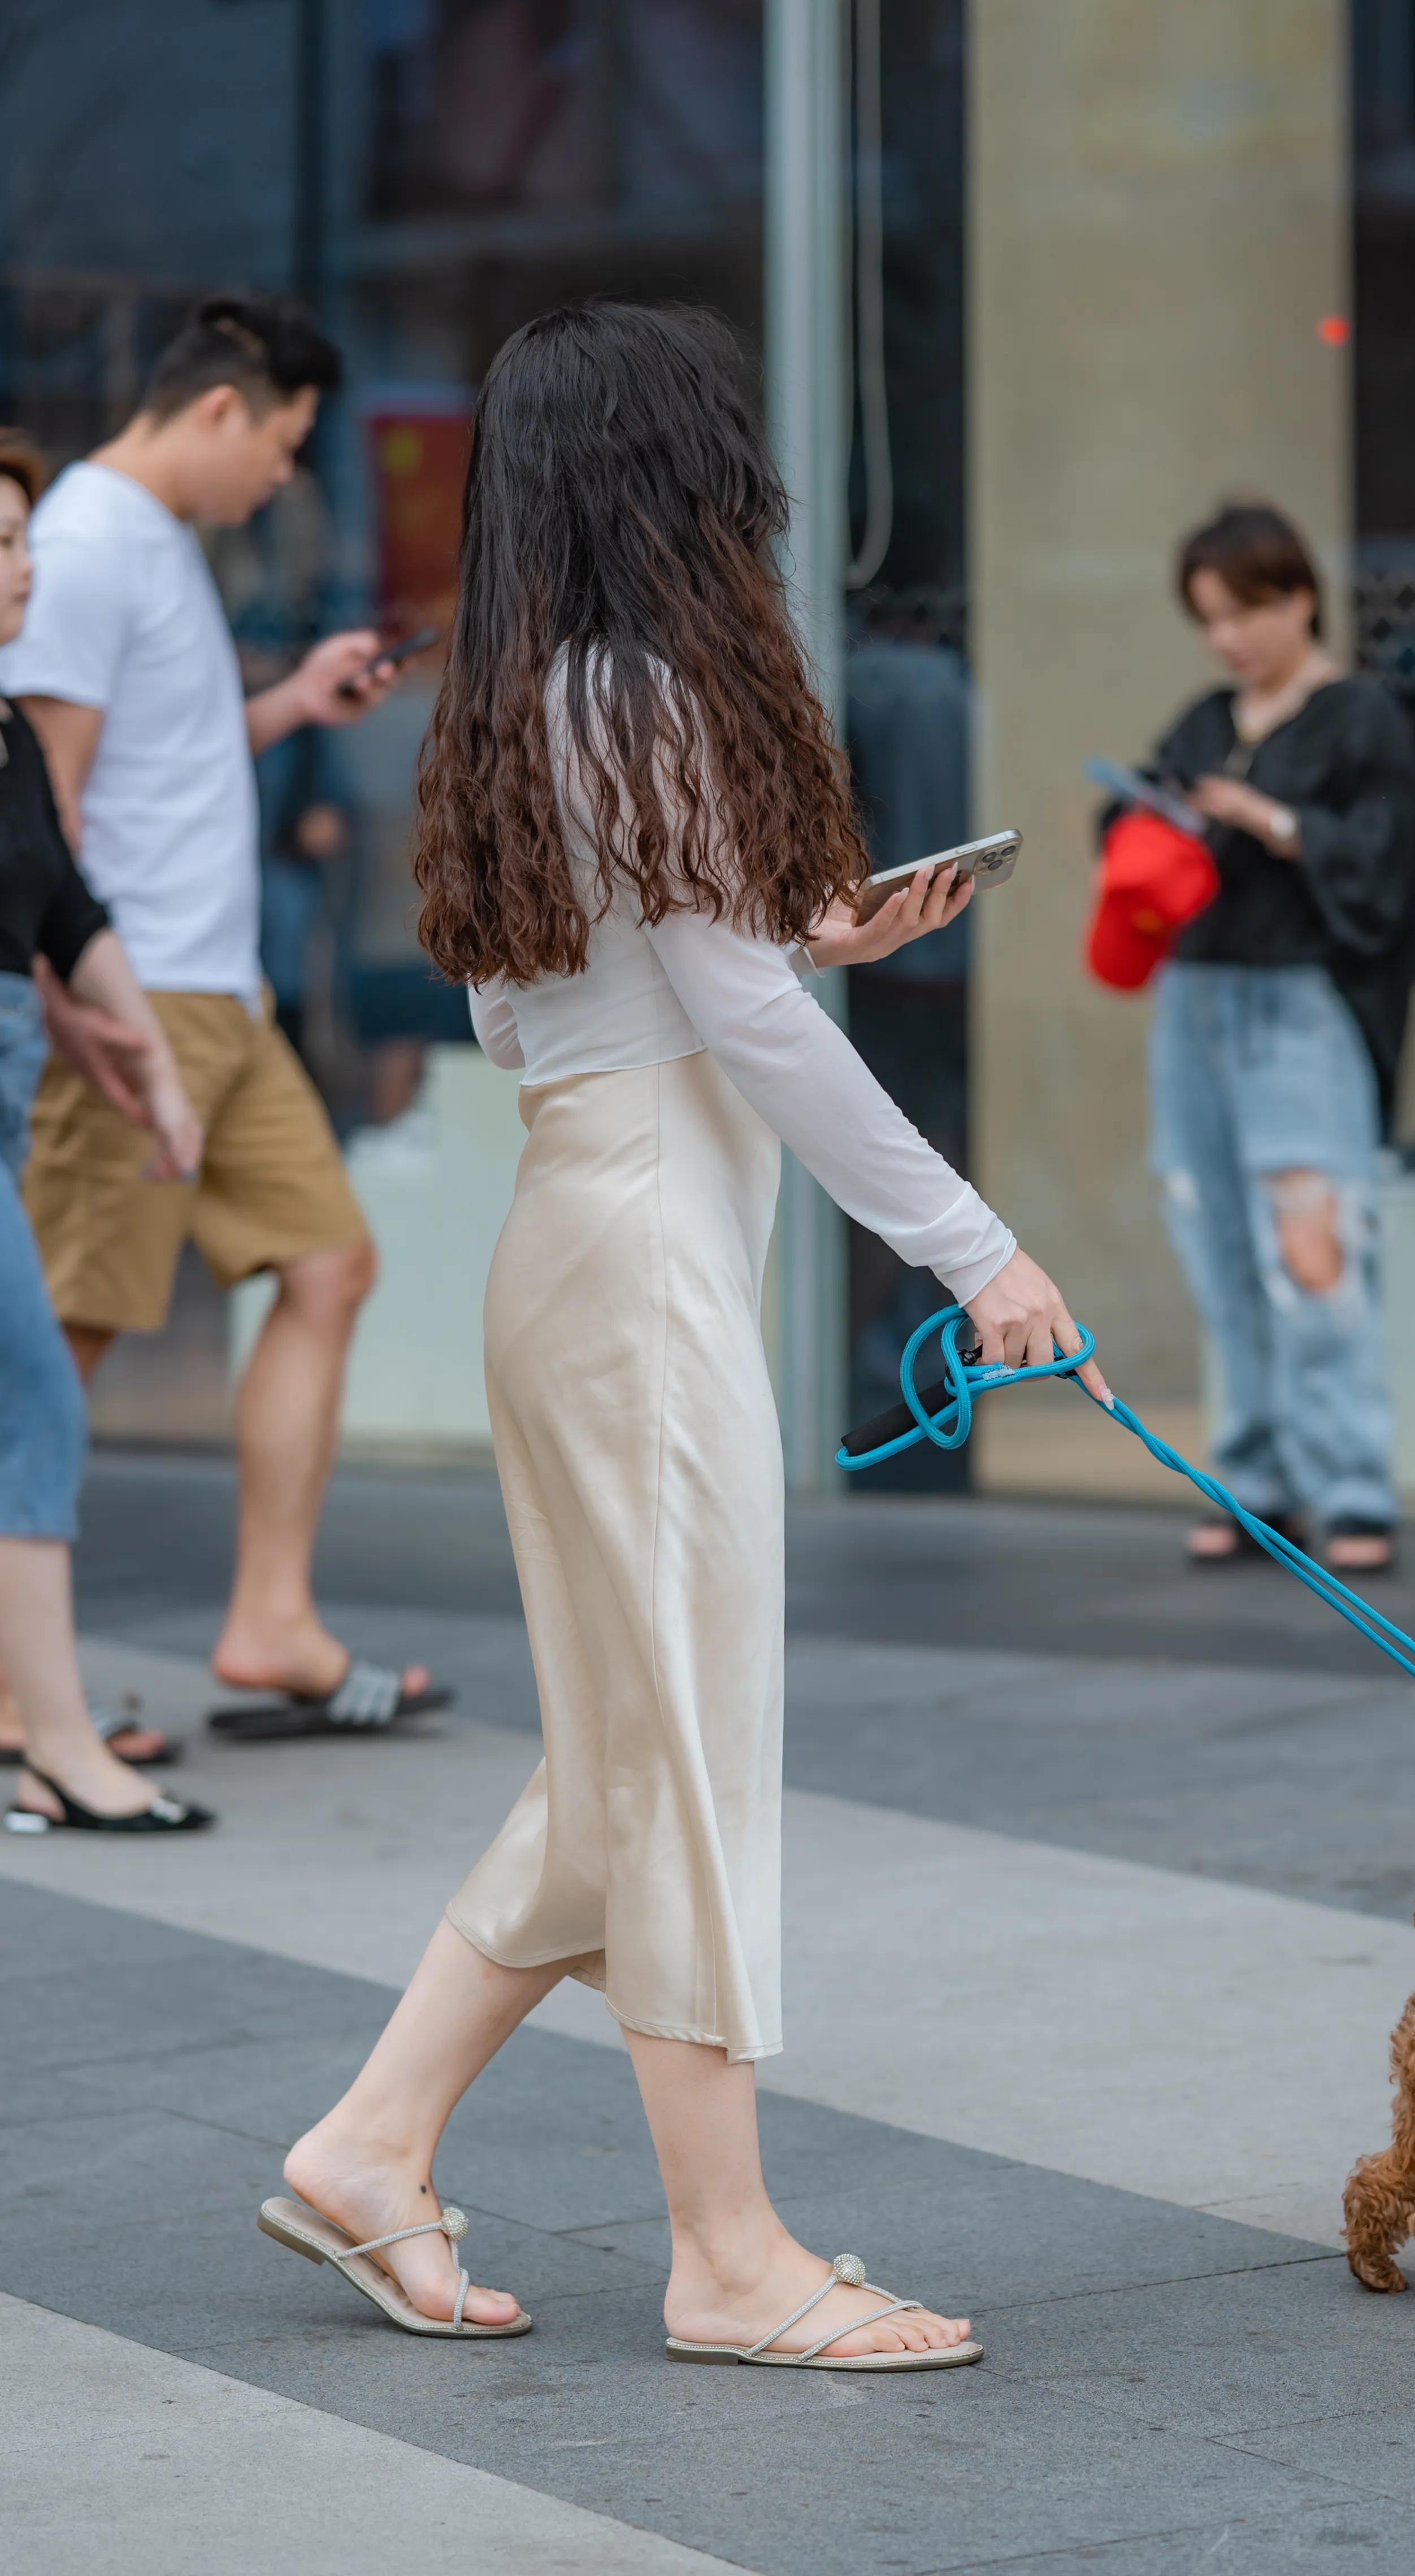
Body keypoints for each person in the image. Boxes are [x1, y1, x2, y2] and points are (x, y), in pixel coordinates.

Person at [269, 302, 1105, 2365]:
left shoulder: (524, 696)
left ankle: (371, 2149)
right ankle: (727, 2259)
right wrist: (972, 1248)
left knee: (634, 1757)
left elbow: (587, 999)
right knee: (685, 1766)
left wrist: (805, 929)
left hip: (587, 1246)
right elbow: (736, 1031)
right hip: (641, 1277)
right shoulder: (641, 688)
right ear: (674, 470)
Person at [0, 293, 444, 1743]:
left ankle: (269, 1623)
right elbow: (42, 810)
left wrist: (292, 704)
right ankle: (22, 1693)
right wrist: (80, 1022)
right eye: (287, 443)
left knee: (328, 1266)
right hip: (135, 1006)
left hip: (221, 997)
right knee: (56, 1342)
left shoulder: (156, 550)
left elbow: (158, 753)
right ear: (217, 411)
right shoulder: (73, 548)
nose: (288, 475)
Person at [0, 431, 213, 1833]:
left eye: (20, 540)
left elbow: (61, 909)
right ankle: (57, 1745)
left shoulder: (8, 728)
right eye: (2, 547)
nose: (24, 571)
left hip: (12, 1079)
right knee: (39, 1401)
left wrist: (144, 1057)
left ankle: (41, 1729)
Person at [1145, 503, 1415, 1577]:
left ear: (1299, 596)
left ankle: (1352, 1485)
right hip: (1196, 1000)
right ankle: (1254, 1482)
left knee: (1315, 1256)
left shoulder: (1359, 717)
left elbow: (1382, 861)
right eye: (1211, 617)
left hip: (1299, 1006)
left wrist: (1262, 818)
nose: (1229, 639)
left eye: (1246, 610)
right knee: (1215, 1249)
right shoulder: (1205, 718)